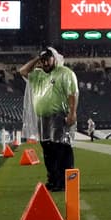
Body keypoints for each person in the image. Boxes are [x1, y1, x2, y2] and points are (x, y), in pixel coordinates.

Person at [19, 47, 78, 192]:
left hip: (59, 116)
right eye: (43, 60)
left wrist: (72, 113)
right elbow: (23, 71)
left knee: (60, 148)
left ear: (54, 59)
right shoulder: (38, 75)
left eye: (47, 59)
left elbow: (72, 94)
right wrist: (36, 59)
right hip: (42, 118)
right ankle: (53, 179)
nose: (45, 63)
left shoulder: (65, 73)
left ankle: (63, 181)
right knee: (47, 149)